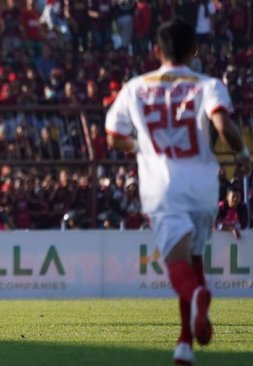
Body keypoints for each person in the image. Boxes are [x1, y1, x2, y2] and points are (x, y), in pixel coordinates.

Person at [105, 18, 251, 365]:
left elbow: (112, 136)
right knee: (194, 260)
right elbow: (223, 124)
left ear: (156, 50)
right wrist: (243, 154)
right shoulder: (208, 85)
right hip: (203, 186)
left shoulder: (136, 87)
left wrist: (139, 144)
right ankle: (184, 344)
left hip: (162, 187)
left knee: (177, 266)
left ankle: (199, 296)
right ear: (194, 50)